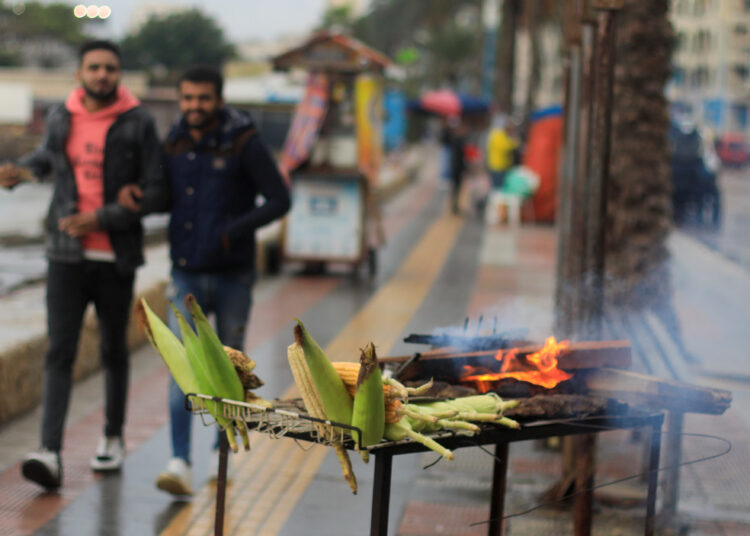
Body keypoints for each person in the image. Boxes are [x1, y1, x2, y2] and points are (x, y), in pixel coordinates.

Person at [118, 65, 291, 496]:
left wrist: (235, 229)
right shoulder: (174, 142)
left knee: (229, 371)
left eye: (204, 99)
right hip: (187, 273)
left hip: (234, 275)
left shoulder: (244, 141)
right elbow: (162, 197)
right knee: (185, 371)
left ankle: (223, 452)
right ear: (181, 99)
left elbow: (280, 199)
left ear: (219, 98)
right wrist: (136, 198)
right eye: (188, 98)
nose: (195, 107)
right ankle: (179, 460)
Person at [0, 40, 164, 489]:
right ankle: (49, 451)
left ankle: (112, 436)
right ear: (80, 74)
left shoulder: (139, 122)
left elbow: (157, 190)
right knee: (59, 351)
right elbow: (48, 160)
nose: (101, 75)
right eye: (93, 68)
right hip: (65, 255)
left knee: (114, 350)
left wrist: (104, 216)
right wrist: (18, 171)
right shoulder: (61, 115)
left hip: (115, 255)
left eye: (110, 68)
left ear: (119, 74)